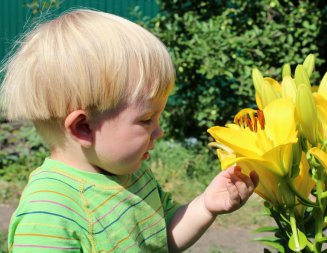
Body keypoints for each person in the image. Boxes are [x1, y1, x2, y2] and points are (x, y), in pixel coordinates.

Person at [0, 9, 259, 253]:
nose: (159, 132)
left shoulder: (132, 175)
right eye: (147, 120)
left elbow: (164, 236)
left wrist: (204, 206)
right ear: (84, 128)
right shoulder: (49, 214)